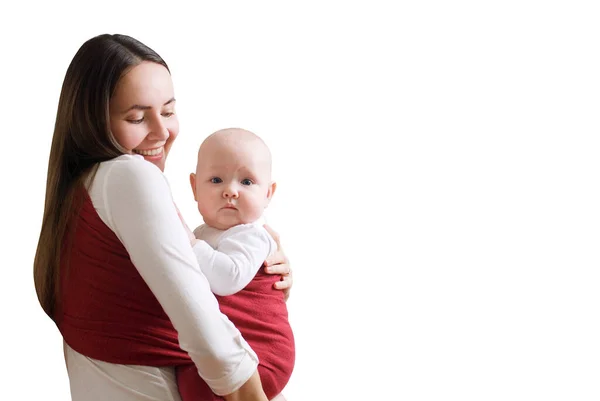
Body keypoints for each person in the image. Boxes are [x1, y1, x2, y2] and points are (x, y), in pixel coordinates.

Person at [32, 33, 293, 401]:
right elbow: (208, 333)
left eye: (169, 110)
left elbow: (175, 282)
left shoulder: (80, 190)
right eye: (137, 117)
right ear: (94, 121)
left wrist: (258, 286)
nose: (162, 131)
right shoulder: (130, 176)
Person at [176, 128, 295, 401]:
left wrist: (190, 245)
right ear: (194, 187)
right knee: (190, 379)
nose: (231, 191)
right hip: (236, 347)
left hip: (263, 352)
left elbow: (227, 278)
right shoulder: (204, 234)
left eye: (247, 182)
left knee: (197, 382)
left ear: (268, 193)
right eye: (216, 180)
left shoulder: (254, 235)